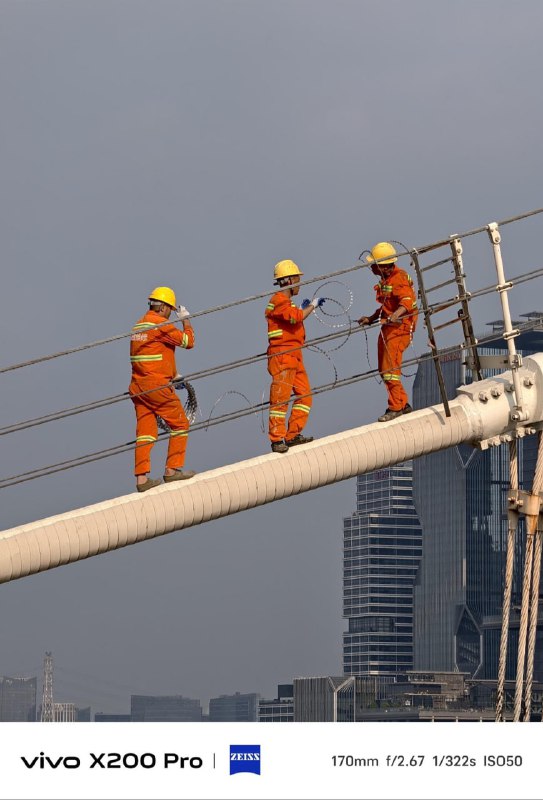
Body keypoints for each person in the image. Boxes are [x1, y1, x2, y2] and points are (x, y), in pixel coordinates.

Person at [129, 286, 196, 492]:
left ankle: (142, 480)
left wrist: (173, 374)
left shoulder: (138, 326)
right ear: (164, 308)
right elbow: (188, 342)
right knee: (180, 424)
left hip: (138, 387)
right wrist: (185, 320)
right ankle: (172, 470)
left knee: (145, 433)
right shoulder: (161, 325)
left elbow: (156, 354)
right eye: (171, 310)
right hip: (157, 386)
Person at [265, 259, 324, 453]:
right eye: (297, 280)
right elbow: (295, 317)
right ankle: (277, 439)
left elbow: (293, 317)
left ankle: (292, 435)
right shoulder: (278, 300)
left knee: (305, 396)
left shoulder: (285, 303)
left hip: (294, 355)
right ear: (289, 280)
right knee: (280, 399)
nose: (299, 284)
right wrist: (312, 306)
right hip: (283, 355)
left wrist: (301, 309)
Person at [357, 242, 418, 421]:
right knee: (385, 369)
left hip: (400, 328)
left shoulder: (399, 278)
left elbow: (407, 302)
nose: (371, 267)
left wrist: (396, 315)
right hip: (389, 327)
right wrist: (371, 318)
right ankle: (402, 403)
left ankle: (395, 407)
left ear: (383, 266)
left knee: (389, 369)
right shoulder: (387, 280)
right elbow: (386, 306)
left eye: (374, 264)